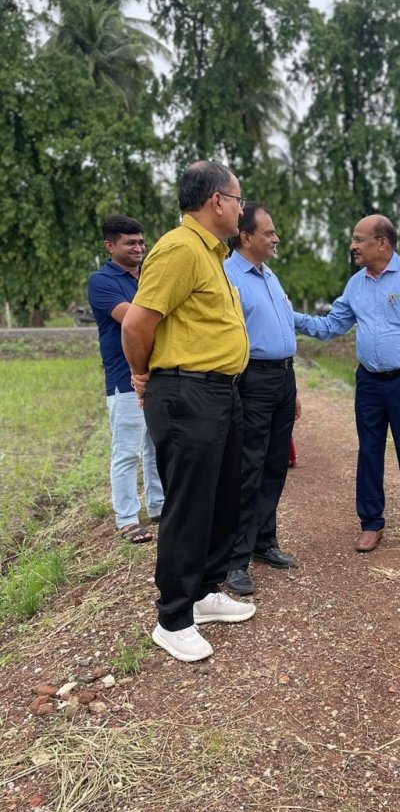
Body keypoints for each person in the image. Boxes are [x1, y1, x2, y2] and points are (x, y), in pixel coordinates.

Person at [121, 161, 255, 662]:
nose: (242, 208)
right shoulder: (179, 249)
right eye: (239, 199)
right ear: (217, 201)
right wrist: (141, 377)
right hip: (186, 392)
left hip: (221, 391)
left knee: (222, 497)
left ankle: (203, 592)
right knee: (189, 504)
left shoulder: (210, 253)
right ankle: (172, 618)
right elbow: (137, 325)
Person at [294, 215, 400, 553]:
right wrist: (288, 317)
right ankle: (371, 523)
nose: (353, 246)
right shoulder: (356, 284)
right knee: (369, 452)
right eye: (354, 239)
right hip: (369, 382)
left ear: (382, 243)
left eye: (359, 239)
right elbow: (332, 325)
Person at [223, 203, 300, 596]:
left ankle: (264, 541)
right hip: (252, 379)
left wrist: (294, 384)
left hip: (283, 378)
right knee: (247, 467)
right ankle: (235, 559)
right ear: (246, 236)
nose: (275, 239)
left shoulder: (268, 275)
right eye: (268, 233)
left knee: (274, 464)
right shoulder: (228, 275)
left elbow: (283, 328)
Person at [88, 215, 163, 543]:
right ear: (110, 245)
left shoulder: (147, 276)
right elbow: (135, 319)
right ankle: (127, 518)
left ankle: (159, 505)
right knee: (128, 450)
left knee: (157, 446)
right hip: (124, 378)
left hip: (156, 374)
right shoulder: (102, 281)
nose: (138, 248)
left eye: (141, 242)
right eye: (130, 243)